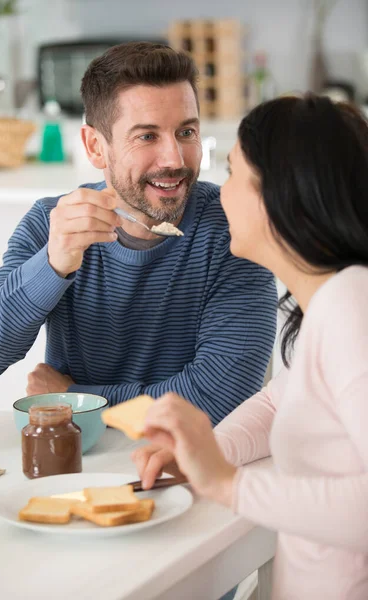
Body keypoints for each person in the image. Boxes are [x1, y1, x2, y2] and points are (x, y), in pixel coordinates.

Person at [132, 94, 368, 600]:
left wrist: (227, 485)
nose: (219, 195)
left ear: (279, 193)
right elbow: (278, 401)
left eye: (234, 173)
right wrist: (203, 455)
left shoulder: (353, 306)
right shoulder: (333, 303)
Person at [0, 42, 277, 427]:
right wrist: (53, 264)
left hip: (191, 463)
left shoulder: (234, 227)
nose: (174, 160)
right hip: (76, 461)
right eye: (147, 136)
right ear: (95, 147)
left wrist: (76, 397)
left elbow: (221, 395)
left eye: (186, 132)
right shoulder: (51, 223)